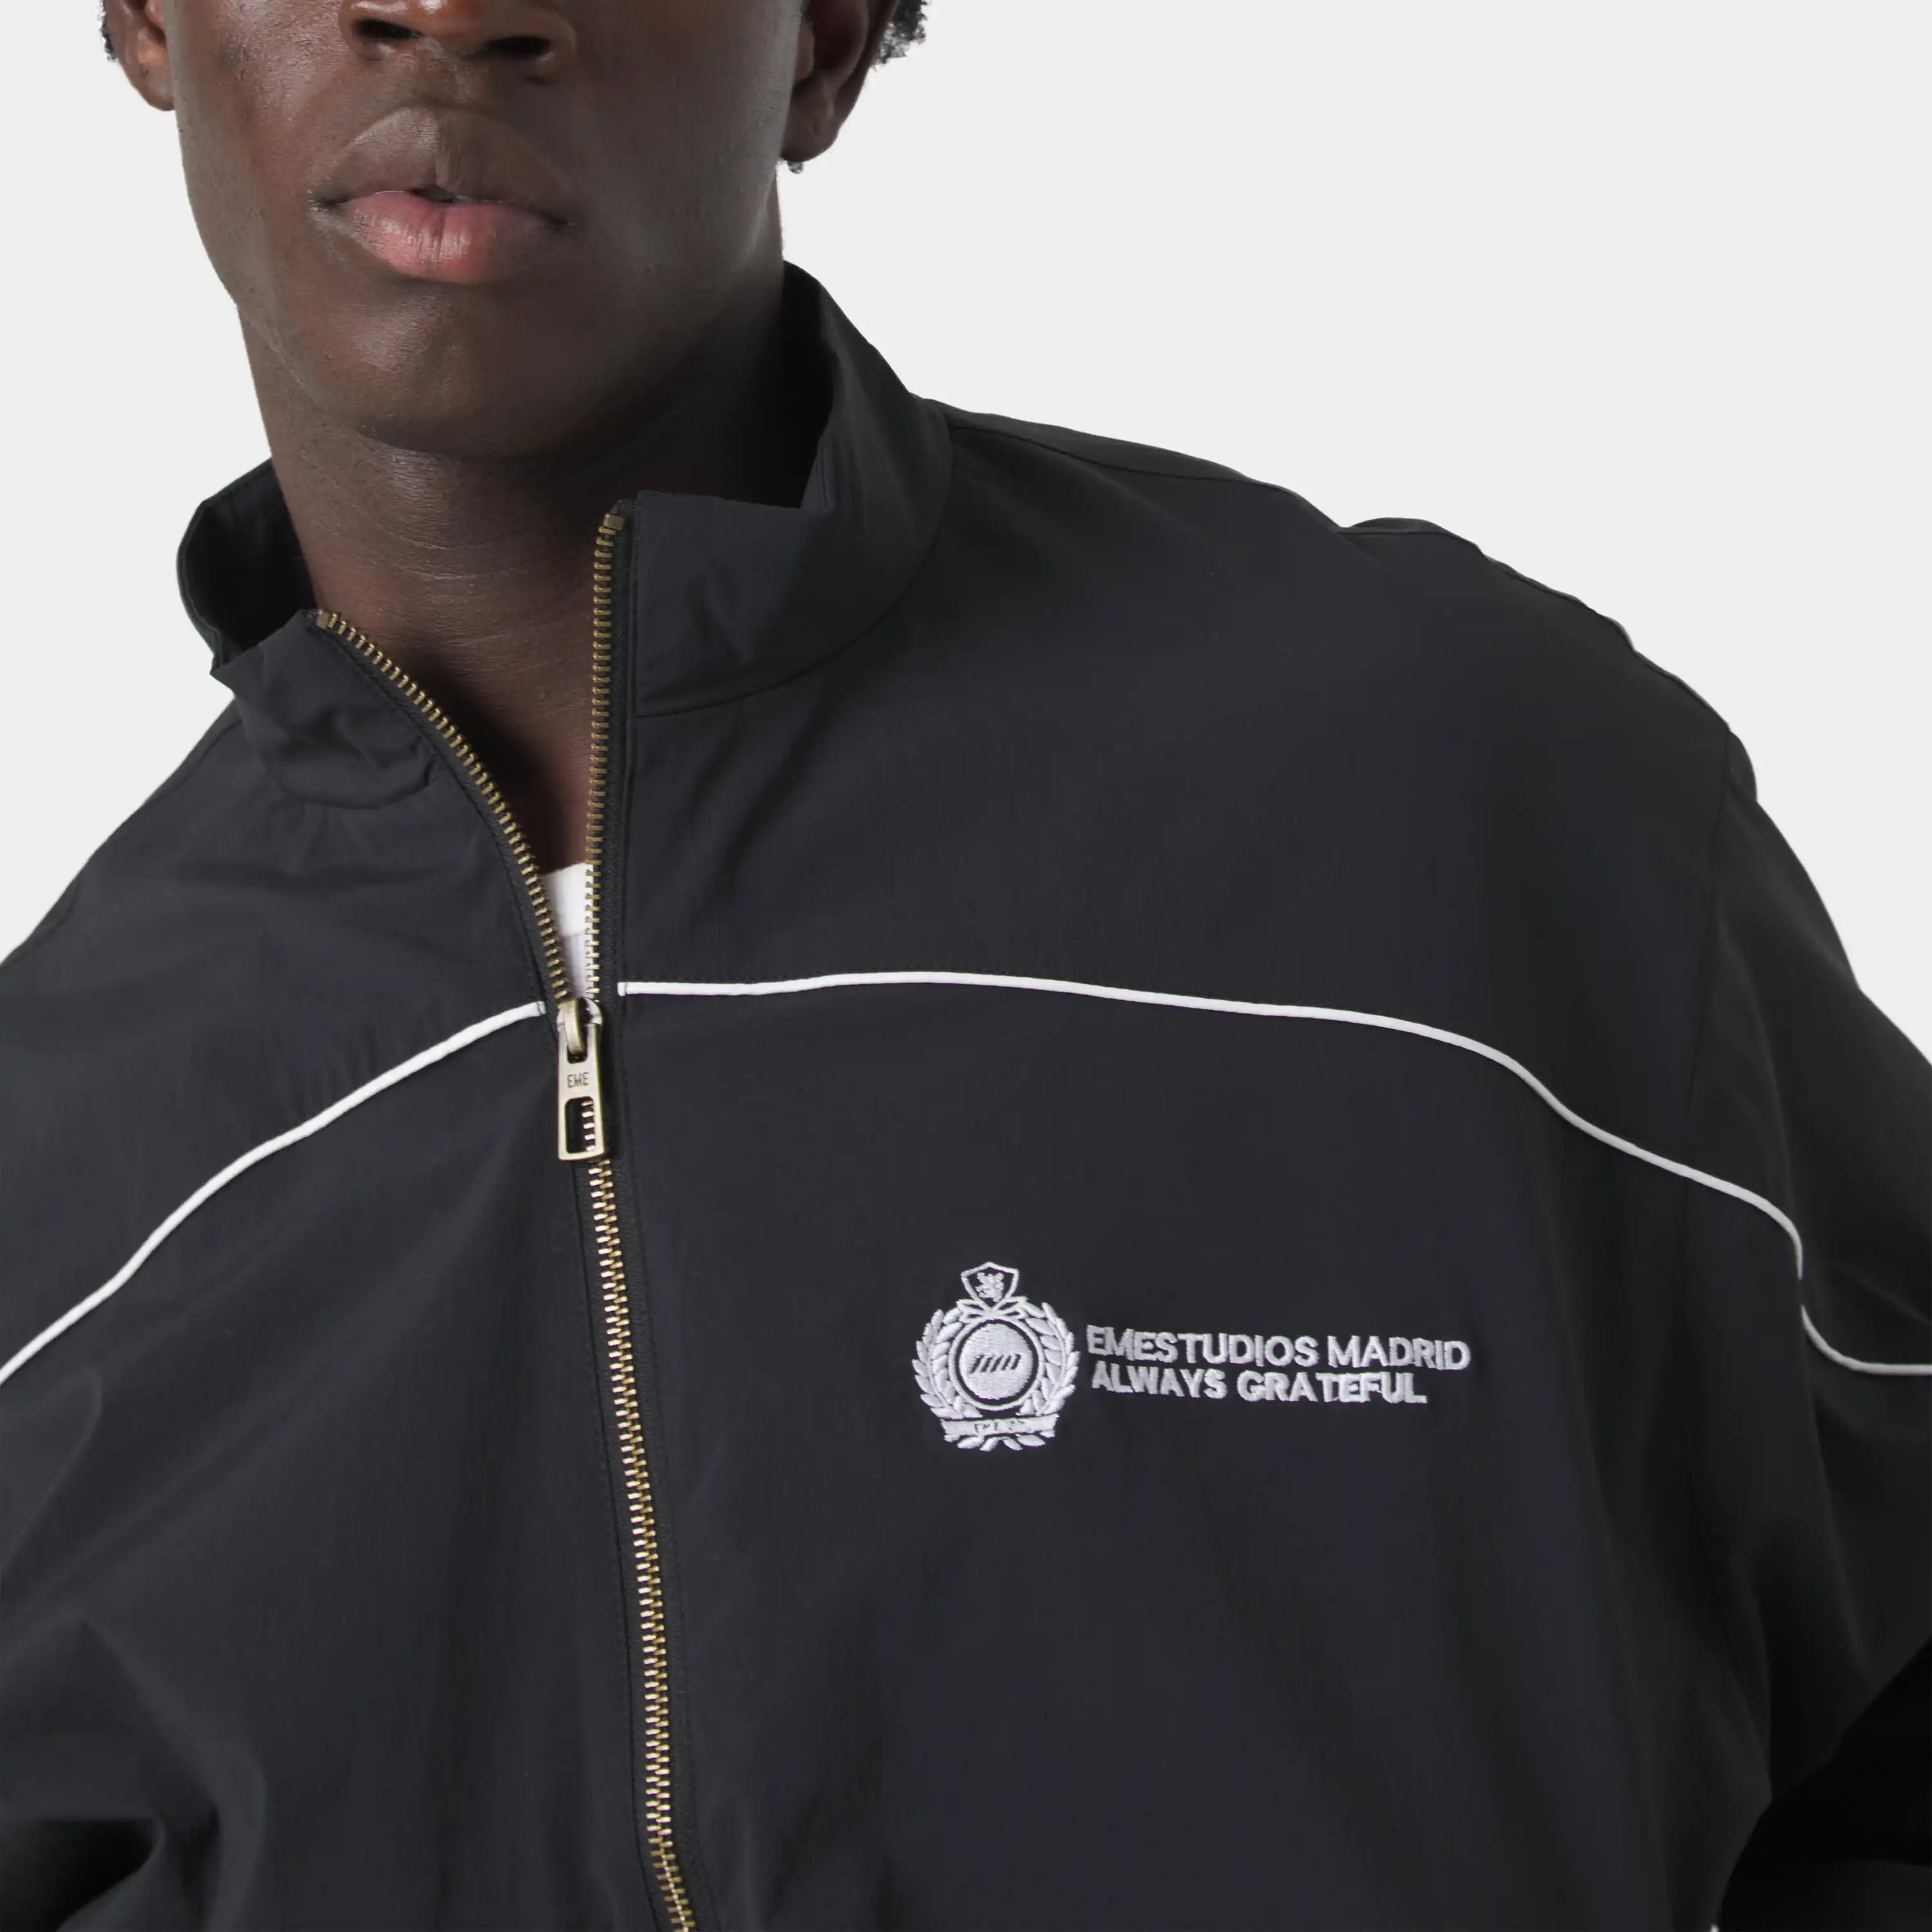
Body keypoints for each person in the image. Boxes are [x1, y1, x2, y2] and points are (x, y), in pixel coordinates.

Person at [0, 0, 1924, 1924]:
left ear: (828, 39)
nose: (443, 9)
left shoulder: (1464, 805)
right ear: (149, 18)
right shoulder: (56, 1174)